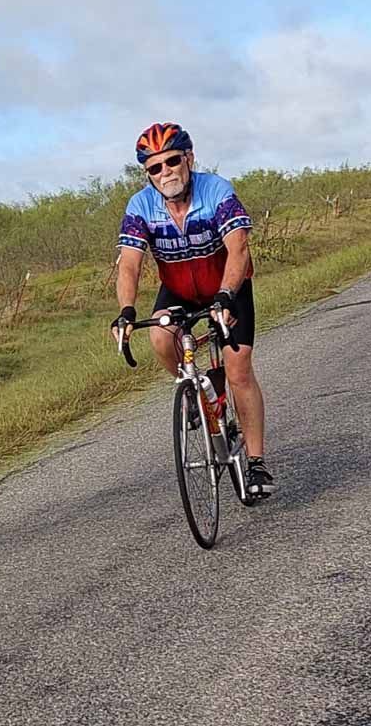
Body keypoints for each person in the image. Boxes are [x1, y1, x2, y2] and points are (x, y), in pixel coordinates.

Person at [110, 123, 277, 497]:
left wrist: (226, 295)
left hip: (226, 286)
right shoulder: (141, 207)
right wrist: (126, 309)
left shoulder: (216, 191)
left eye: (172, 161)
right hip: (179, 289)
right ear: (147, 173)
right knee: (159, 337)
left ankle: (256, 463)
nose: (166, 172)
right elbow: (130, 264)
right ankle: (194, 395)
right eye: (155, 167)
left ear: (188, 158)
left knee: (238, 370)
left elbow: (239, 249)